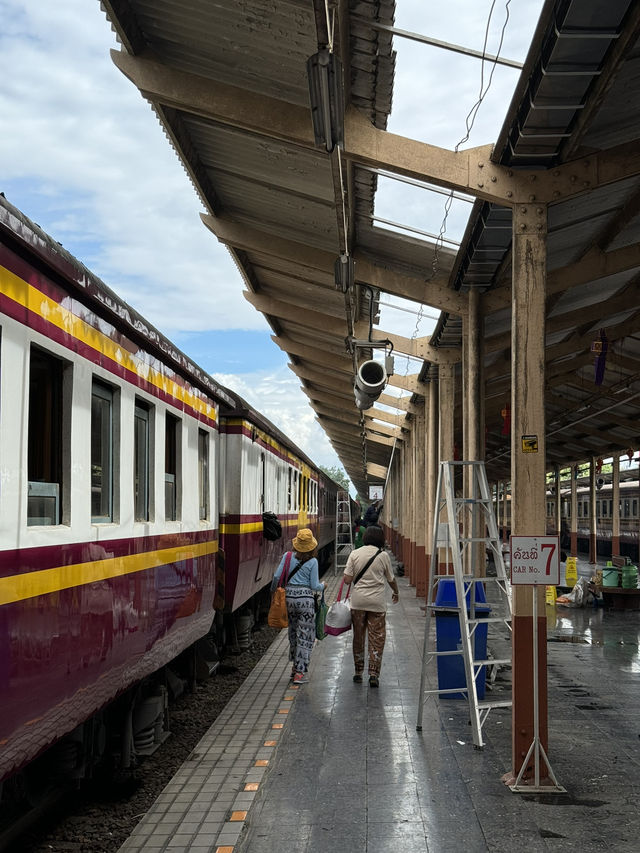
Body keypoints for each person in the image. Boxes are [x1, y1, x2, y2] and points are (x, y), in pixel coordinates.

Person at [342, 524, 398, 687]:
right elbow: (391, 579)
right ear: (380, 539)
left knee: (358, 637)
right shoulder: (383, 556)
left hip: (358, 603)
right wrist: (396, 592)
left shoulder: (354, 554)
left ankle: (358, 672)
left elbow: (347, 580)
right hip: (377, 604)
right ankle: (373, 674)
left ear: (365, 537)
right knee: (377, 638)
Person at [271, 528, 324, 685]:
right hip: (306, 602)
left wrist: (274, 592)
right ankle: (300, 672)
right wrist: (324, 585)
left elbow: (276, 577)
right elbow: (314, 585)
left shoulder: (287, 556)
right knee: (306, 635)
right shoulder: (313, 562)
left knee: (293, 632)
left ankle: (294, 667)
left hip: (289, 600)